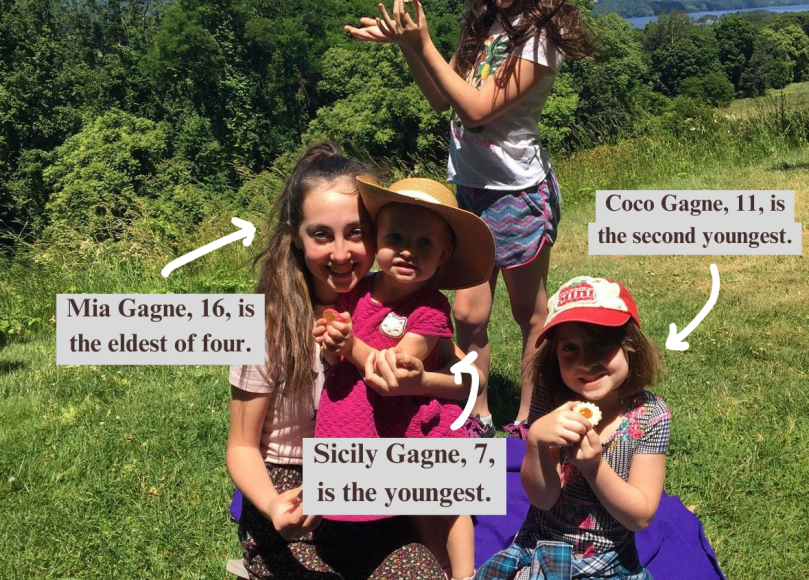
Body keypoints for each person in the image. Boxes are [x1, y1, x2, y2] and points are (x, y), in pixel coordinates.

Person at [345, 0, 596, 438]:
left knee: (529, 313)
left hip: (517, 194)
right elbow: (440, 98)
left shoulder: (539, 34)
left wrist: (423, 41)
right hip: (471, 190)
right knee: (467, 314)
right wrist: (409, 45)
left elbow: (477, 110)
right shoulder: (485, 23)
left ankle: (529, 415)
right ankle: (478, 412)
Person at [227, 142, 465, 580]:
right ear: (295, 235)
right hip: (293, 487)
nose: (341, 254)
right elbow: (241, 446)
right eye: (321, 235)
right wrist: (273, 505)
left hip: (372, 478)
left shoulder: (396, 305)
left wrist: (428, 383)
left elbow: (466, 379)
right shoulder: (265, 324)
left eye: (356, 232)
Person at [314, 177, 496, 580]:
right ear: (377, 240)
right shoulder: (356, 292)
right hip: (370, 420)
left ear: (444, 254)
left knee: (449, 503)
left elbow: (392, 372)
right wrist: (331, 341)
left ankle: (463, 574)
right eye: (395, 237)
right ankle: (436, 566)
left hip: (419, 423)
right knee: (415, 507)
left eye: (425, 243)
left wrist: (350, 345)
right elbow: (333, 354)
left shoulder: (430, 308)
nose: (408, 250)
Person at [476, 276, 670, 579]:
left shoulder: (650, 415)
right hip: (542, 545)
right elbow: (542, 499)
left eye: (600, 343)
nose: (586, 361)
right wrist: (536, 441)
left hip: (608, 561)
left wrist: (594, 468)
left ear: (630, 345)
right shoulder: (551, 398)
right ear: (554, 356)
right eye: (569, 348)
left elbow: (640, 517)